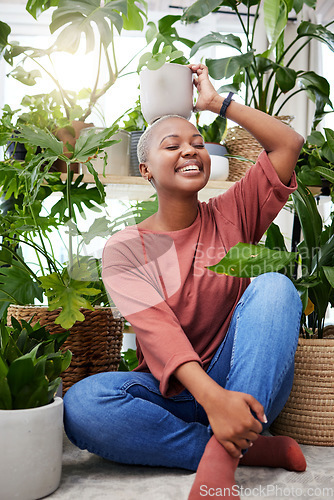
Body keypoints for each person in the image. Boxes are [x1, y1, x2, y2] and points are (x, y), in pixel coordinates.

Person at [63, 64, 307, 499]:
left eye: (198, 143)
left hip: (241, 381)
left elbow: (287, 142)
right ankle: (240, 447)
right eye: (171, 145)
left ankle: (222, 459)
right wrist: (214, 404)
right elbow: (162, 338)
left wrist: (216, 103)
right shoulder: (124, 249)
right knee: (83, 405)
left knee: (275, 287)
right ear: (145, 171)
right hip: (170, 394)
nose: (190, 151)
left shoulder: (233, 212)